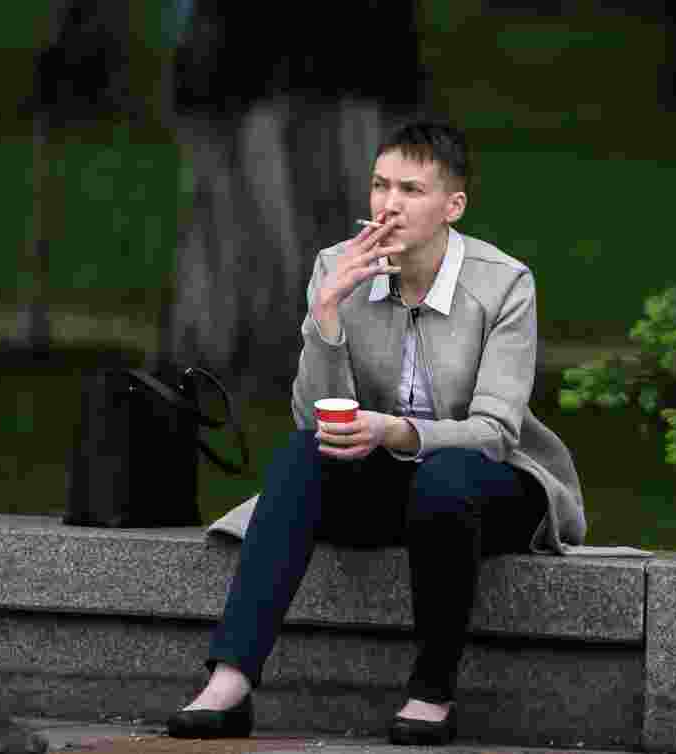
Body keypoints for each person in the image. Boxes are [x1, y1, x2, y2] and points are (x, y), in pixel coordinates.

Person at [166, 119, 586, 746]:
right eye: (380, 186)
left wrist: (396, 431)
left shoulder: (504, 285)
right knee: (303, 455)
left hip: (491, 489)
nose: (389, 205)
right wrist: (327, 317)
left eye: (412, 190)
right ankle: (230, 681)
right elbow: (315, 420)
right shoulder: (337, 267)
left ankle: (431, 690)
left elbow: (496, 433)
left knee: (445, 477)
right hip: (387, 487)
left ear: (453, 206)